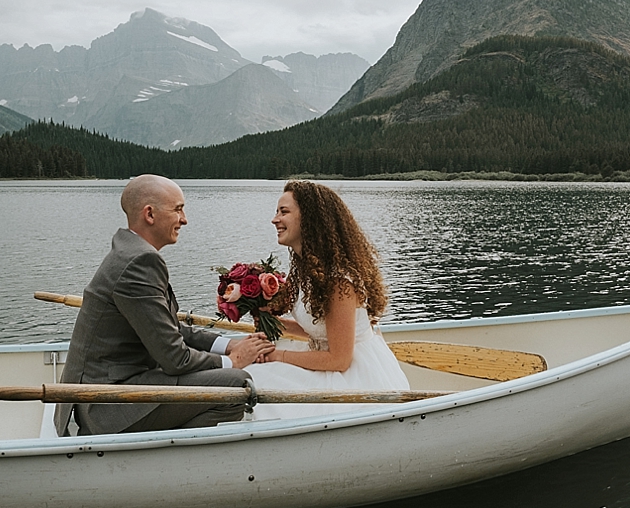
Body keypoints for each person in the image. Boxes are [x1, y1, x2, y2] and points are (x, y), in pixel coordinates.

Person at [54, 174, 274, 436]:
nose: (184, 219)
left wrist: (229, 345)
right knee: (237, 385)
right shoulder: (140, 262)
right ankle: (160, 456)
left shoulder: (130, 252)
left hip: (99, 392)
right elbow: (175, 359)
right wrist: (233, 361)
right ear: (150, 214)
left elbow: (171, 330)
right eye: (178, 209)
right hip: (105, 404)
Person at [245, 180, 410, 420]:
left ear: (309, 219)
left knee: (259, 381)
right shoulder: (308, 269)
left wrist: (277, 356)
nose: (274, 219)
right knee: (250, 371)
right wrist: (270, 321)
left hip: (353, 376)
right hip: (328, 359)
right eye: (276, 212)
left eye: (284, 212)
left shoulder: (338, 281)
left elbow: (339, 359)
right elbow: (319, 330)